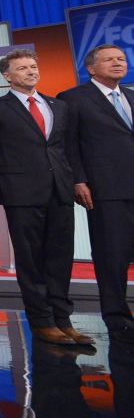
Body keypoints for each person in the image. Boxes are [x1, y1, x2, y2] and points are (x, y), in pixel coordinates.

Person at [0, 49, 92, 346]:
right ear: (7, 75)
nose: (31, 71)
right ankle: (41, 322)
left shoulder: (58, 106)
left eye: (33, 66)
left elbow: (68, 149)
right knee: (31, 262)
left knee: (60, 258)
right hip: (22, 195)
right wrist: (6, 184)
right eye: (23, 68)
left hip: (60, 191)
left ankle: (63, 320)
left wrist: (75, 181)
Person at [57, 44, 134, 343]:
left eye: (122, 59)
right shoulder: (73, 99)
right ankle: (116, 316)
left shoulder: (130, 95)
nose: (118, 63)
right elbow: (69, 144)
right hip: (105, 189)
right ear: (91, 68)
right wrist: (78, 180)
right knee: (112, 254)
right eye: (109, 59)